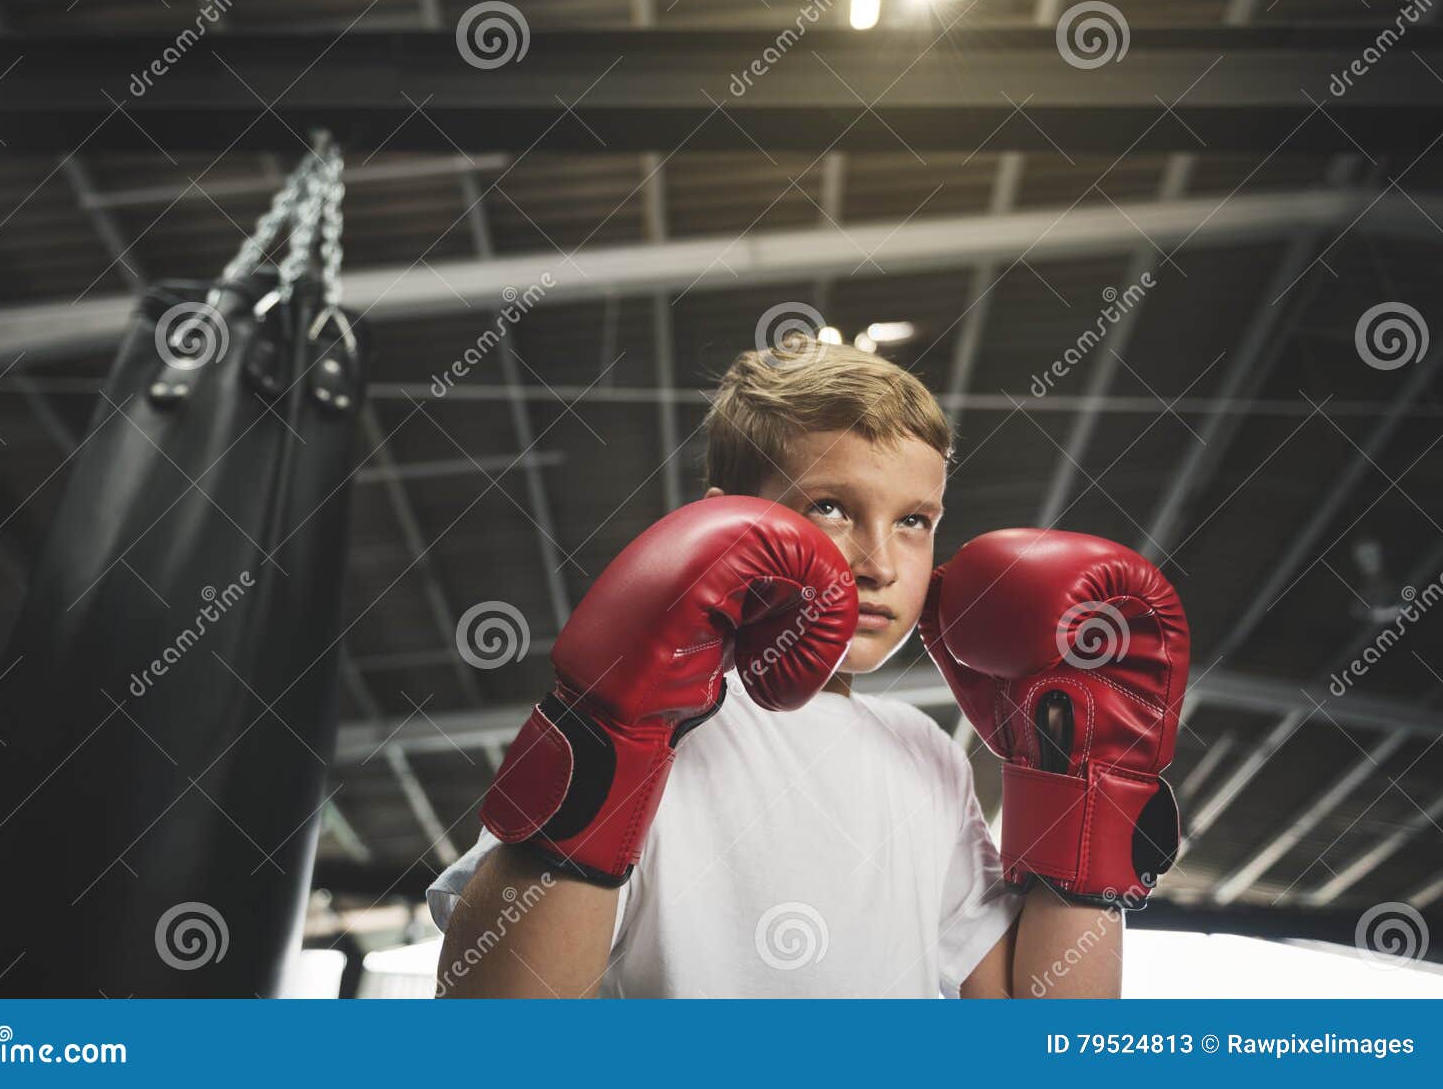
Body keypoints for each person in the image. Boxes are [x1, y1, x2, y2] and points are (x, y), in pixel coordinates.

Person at [428, 338, 1185, 997]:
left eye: (914, 521)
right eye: (829, 507)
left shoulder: (923, 752)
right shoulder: (661, 724)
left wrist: (1090, 792)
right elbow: (499, 1020)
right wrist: (608, 731)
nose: (880, 562)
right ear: (727, 521)